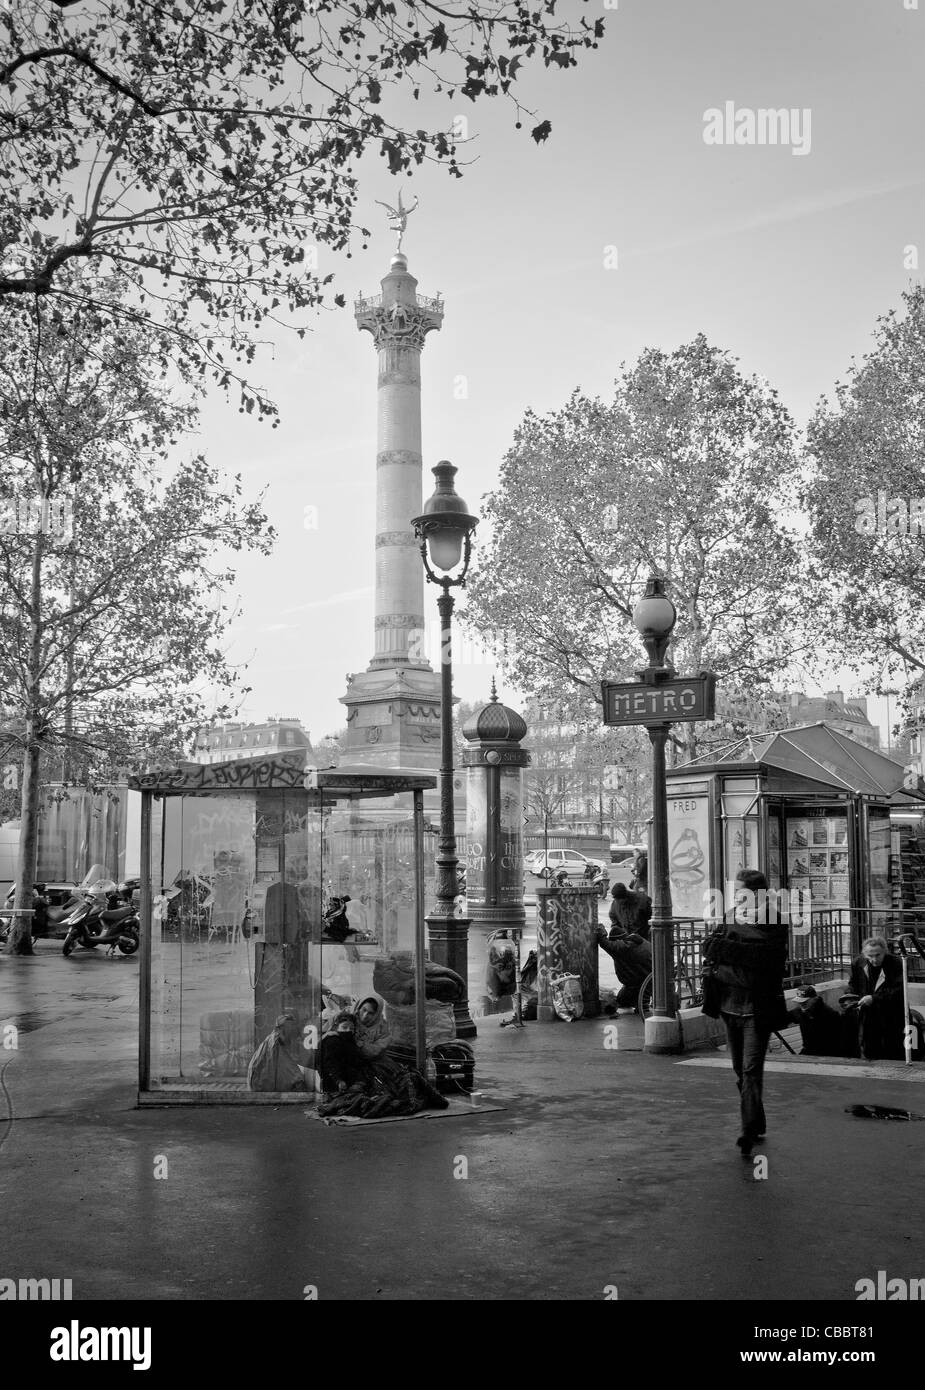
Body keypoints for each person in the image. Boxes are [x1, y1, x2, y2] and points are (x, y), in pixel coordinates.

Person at [701, 869, 788, 1157]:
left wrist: (727, 952)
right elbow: (708, 946)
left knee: (751, 1071)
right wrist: (737, 953)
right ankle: (757, 1119)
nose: (736, 896)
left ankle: (748, 1130)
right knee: (740, 1069)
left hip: (756, 1009)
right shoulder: (730, 915)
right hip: (728, 1005)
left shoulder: (775, 919)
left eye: (741, 891)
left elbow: (765, 960)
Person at [595, 920, 652, 1010]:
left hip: (646, 980)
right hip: (648, 977)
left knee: (641, 1001)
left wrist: (600, 930)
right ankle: (639, 1002)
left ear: (618, 940)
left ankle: (643, 1006)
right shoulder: (636, 941)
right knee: (622, 1000)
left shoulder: (624, 947)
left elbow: (605, 944)